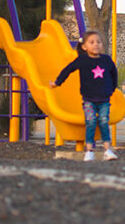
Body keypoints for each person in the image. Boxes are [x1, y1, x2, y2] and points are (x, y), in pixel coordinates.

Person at [50, 30, 118, 161]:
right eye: (92, 42)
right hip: (89, 100)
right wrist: (57, 82)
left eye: (98, 42)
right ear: (84, 46)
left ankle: (107, 150)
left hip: (104, 99)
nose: (96, 44)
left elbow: (114, 74)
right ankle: (89, 151)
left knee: (104, 122)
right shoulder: (82, 60)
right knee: (91, 122)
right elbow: (68, 69)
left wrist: (112, 88)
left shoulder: (106, 60)